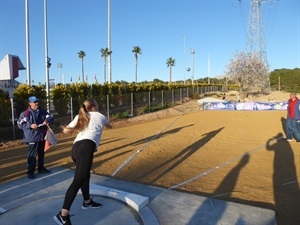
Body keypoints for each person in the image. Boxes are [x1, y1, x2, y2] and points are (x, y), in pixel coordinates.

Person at [54, 99, 111, 225]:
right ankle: (63, 215)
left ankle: (87, 202)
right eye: (97, 105)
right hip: (86, 148)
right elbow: (107, 123)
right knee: (77, 181)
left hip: (76, 149)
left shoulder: (80, 116)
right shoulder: (99, 115)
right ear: (93, 107)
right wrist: (108, 125)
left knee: (85, 175)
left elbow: (66, 129)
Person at [17, 96, 54, 179]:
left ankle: (41, 168)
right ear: (29, 103)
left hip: (41, 136)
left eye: (37, 101)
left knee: (41, 153)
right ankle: (30, 172)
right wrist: (30, 125)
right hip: (32, 137)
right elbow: (19, 124)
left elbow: (51, 117)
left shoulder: (43, 111)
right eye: (34, 102)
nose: (36, 103)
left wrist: (48, 121)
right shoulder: (25, 114)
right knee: (32, 156)